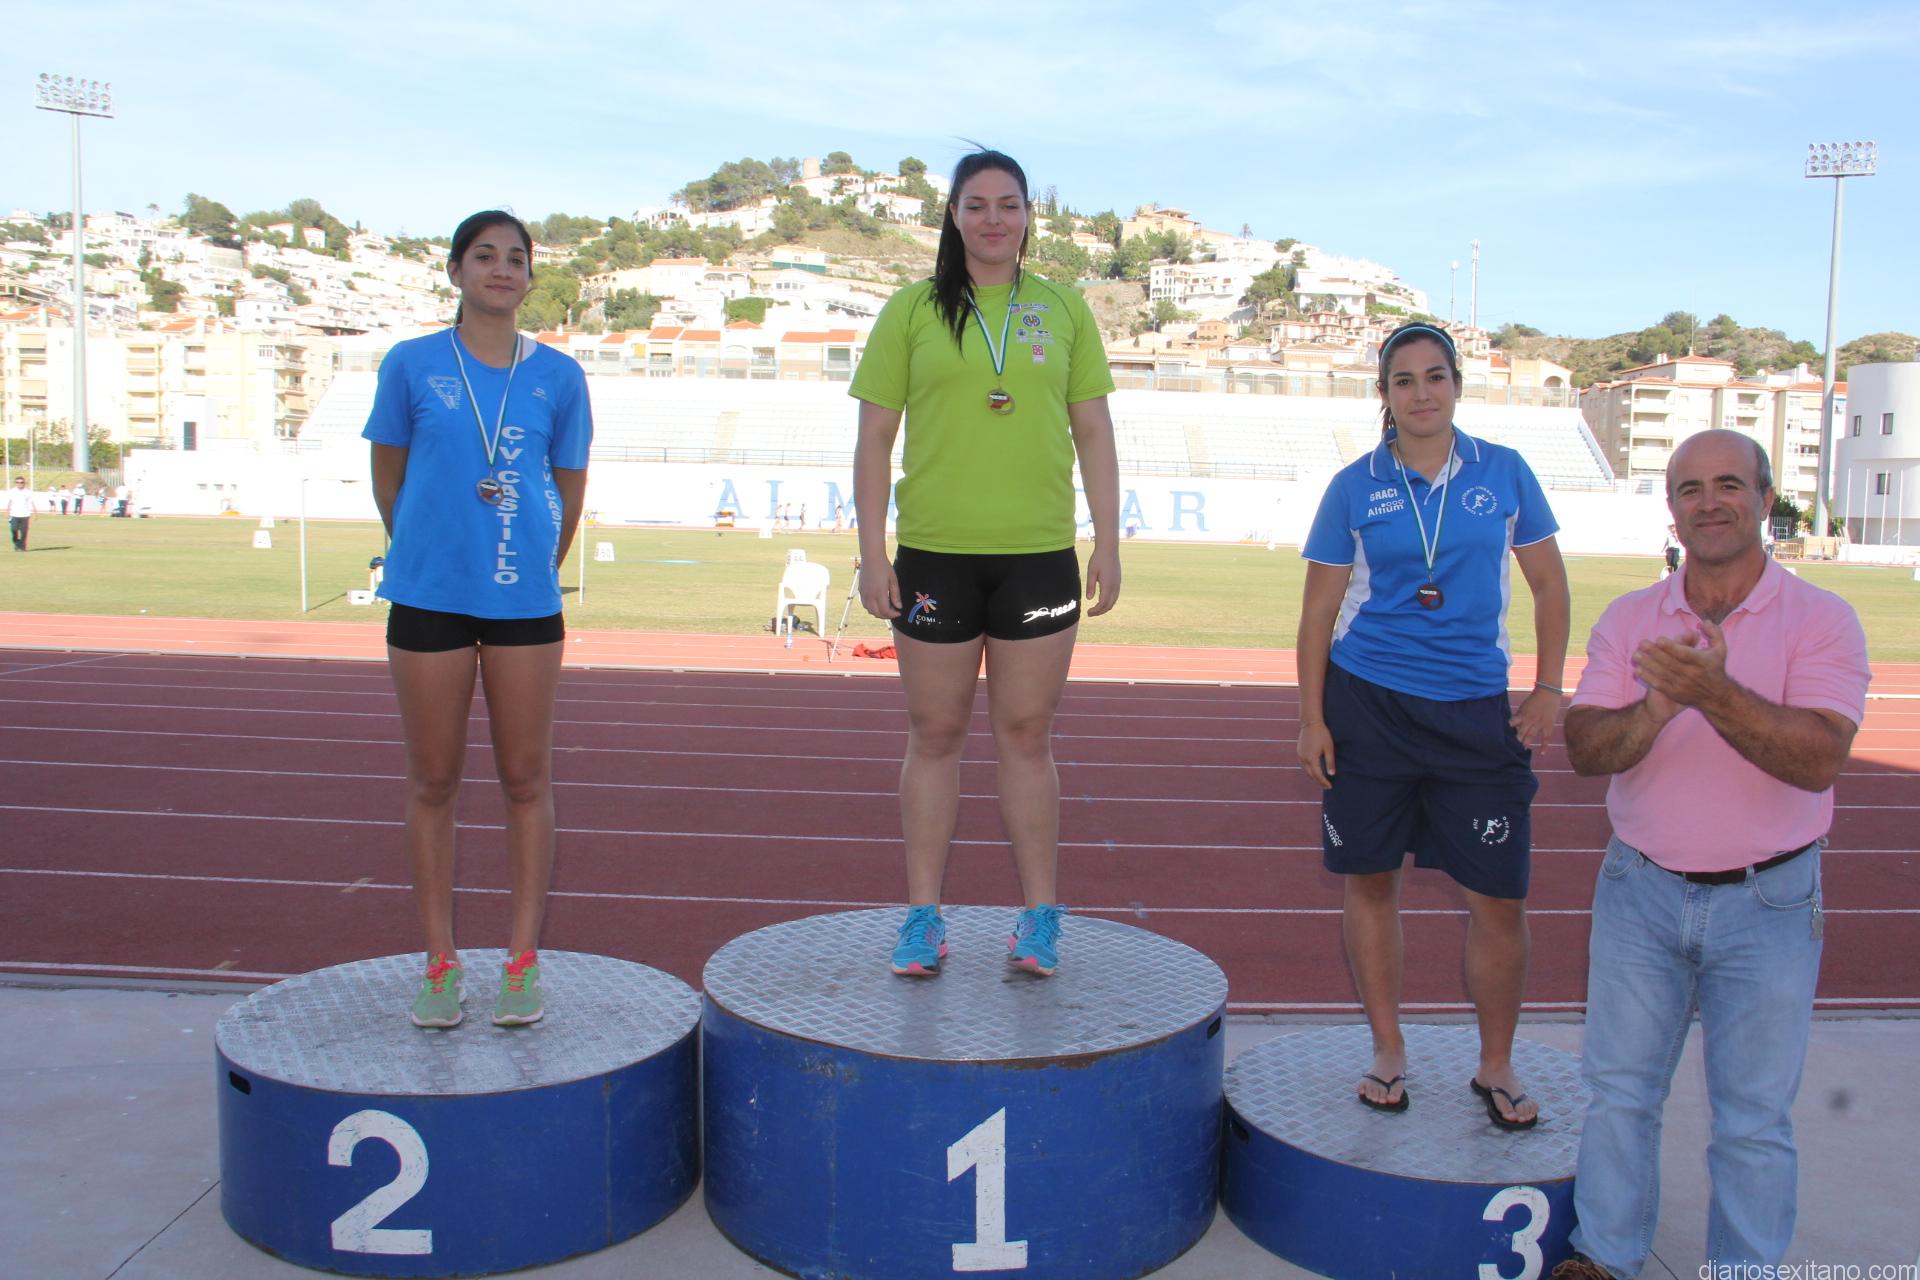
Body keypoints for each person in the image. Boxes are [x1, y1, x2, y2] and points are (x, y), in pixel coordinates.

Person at [1551, 430, 1868, 1279]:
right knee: (1618, 1094)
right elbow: (1586, 748)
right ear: (1672, 509)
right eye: (1690, 488)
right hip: (1640, 889)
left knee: (1754, 1118)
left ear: (1765, 499)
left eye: (1729, 483)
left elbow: (1819, 759)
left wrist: (1713, 693)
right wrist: (1661, 706)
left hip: (1769, 901)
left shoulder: (1823, 619)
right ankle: (1605, 1255)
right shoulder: (1631, 618)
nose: (1710, 501)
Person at [851, 148, 1120, 979]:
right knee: (934, 736)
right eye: (977, 205)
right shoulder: (910, 310)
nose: (994, 219)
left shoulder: (1064, 308)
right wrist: (871, 552)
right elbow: (873, 440)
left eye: (1009, 204)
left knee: (1027, 737)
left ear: (1030, 215)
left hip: (1038, 556)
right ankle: (921, 918)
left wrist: (1108, 540)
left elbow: (1094, 432)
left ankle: (1039, 919)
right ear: (954, 215)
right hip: (934, 554)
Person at [1297, 321, 1570, 1127]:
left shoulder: (1504, 472)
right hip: (1368, 706)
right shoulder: (1354, 486)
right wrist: (1311, 718)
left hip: (1475, 714)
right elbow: (1317, 615)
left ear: (1456, 384)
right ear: (1384, 394)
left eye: (1436, 376)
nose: (1422, 393)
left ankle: (1496, 1064)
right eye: (1404, 380)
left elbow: (1551, 588)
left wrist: (1548, 688)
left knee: (1498, 898)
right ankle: (1388, 1049)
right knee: (1371, 883)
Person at [362, 209, 592, 1030]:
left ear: (530, 277)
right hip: (428, 594)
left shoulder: (559, 376)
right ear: (456, 271)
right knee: (433, 782)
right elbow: (389, 479)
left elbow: (568, 489)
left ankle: (521, 962)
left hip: (523, 601)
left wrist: (529, 561)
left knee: (526, 781)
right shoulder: (411, 364)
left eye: (516, 259)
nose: (502, 269)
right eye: (485, 256)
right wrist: (431, 551)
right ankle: (440, 962)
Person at [7, 476, 33, 551]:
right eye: (17, 482)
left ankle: (22, 547)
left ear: (24, 483)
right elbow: (10, 501)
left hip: (25, 514)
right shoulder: (12, 491)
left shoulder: (28, 492)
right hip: (14, 514)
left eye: (21, 482)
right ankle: (16, 543)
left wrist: (35, 513)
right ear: (15, 483)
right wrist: (7, 511)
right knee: (14, 529)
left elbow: (31, 502)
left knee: (24, 532)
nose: (19, 484)